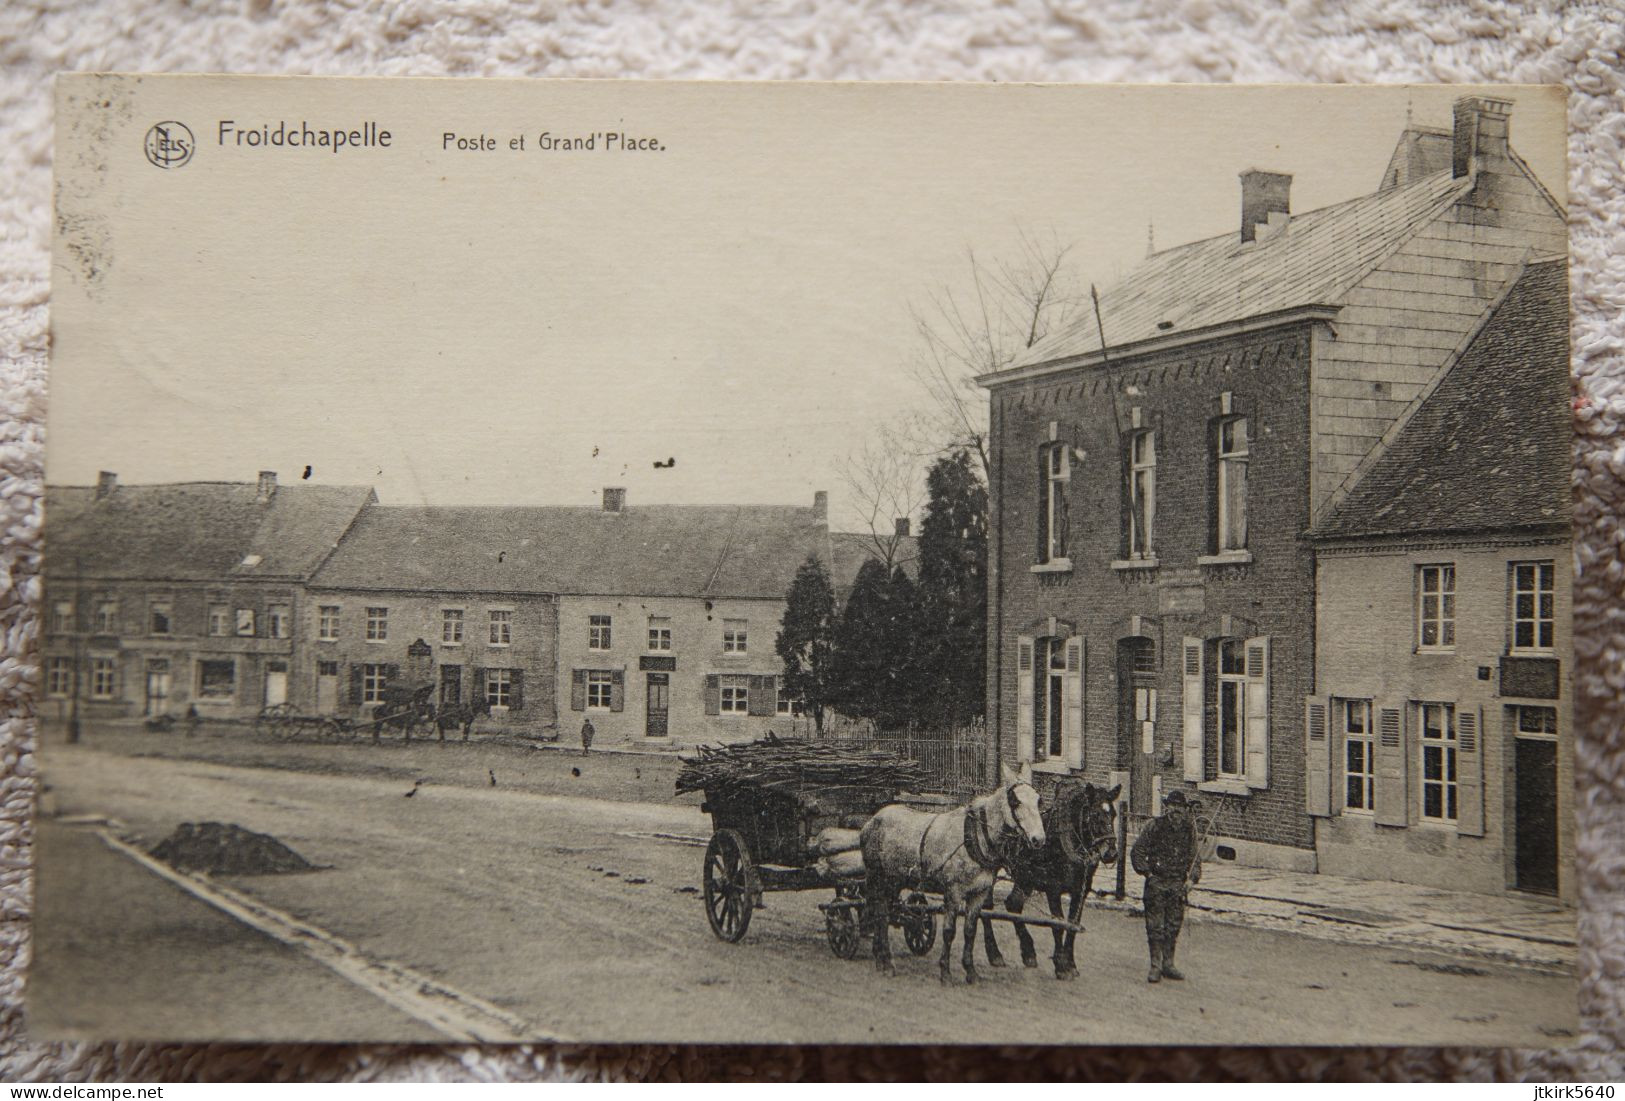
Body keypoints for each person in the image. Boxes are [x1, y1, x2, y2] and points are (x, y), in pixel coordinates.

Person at [1129, 789, 1202, 984]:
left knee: (1173, 925)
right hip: (1157, 883)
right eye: (1172, 807)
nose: (1175, 811)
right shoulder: (1154, 826)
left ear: (1184, 810)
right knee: (1155, 926)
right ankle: (1156, 965)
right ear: (1166, 807)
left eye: (1179, 807)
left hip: (1178, 884)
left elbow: (1195, 858)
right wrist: (1148, 873)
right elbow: (1137, 851)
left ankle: (1169, 963)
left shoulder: (1189, 830)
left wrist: (1191, 880)